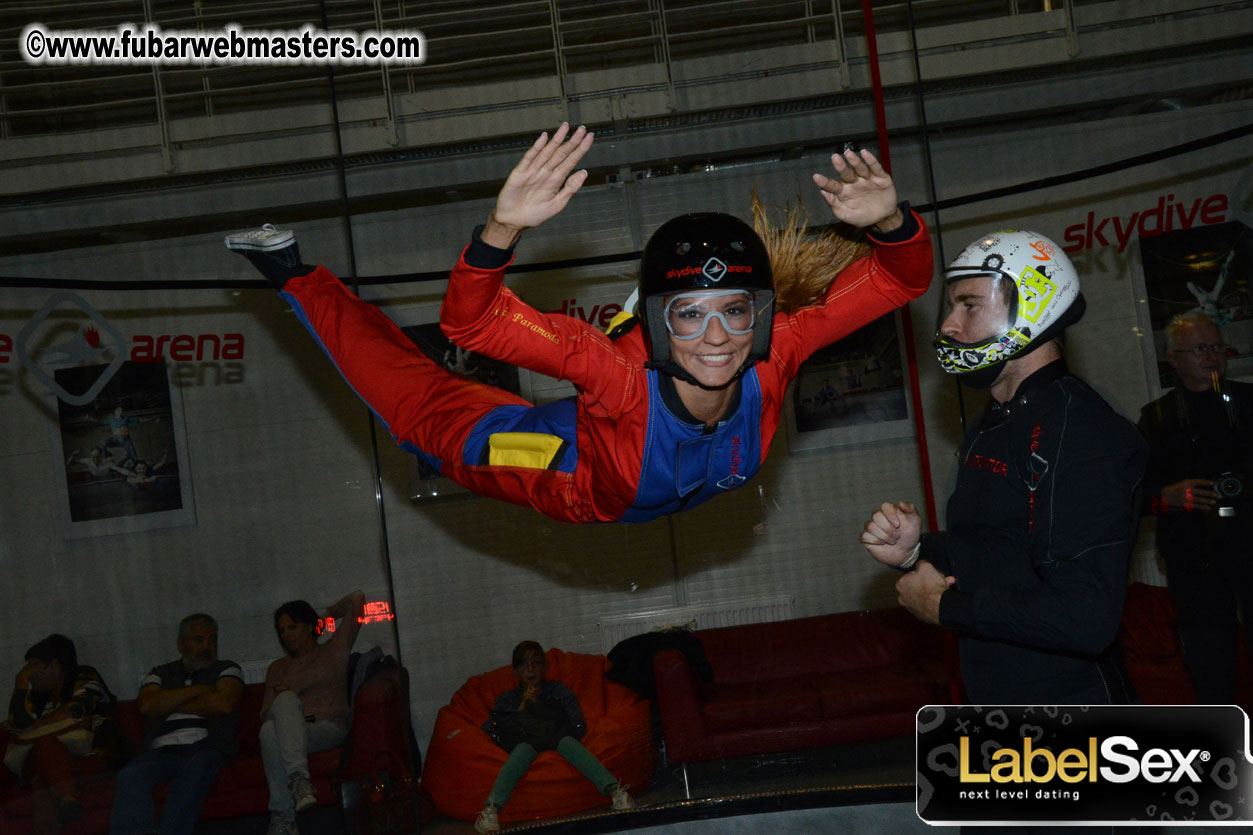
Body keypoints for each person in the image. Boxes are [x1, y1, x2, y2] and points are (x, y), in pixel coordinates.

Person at [226, 122, 932, 523]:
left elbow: (901, 279)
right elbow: (469, 326)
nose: (716, 337)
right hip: (569, 463)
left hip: (620, 432)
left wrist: (892, 222)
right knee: (426, 420)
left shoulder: (778, 348)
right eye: (688, 316)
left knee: (581, 409)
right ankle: (292, 274)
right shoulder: (616, 371)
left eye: (733, 312)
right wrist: (500, 229)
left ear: (761, 317)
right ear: (656, 325)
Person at [860, 229, 1147, 705]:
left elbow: (1086, 616)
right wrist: (918, 551)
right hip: (999, 703)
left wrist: (947, 607)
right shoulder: (995, 420)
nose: (950, 325)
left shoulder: (1085, 433)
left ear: (1034, 306)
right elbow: (1002, 553)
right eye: (951, 307)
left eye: (969, 305)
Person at [1137, 310, 1253, 704]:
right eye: (1200, 349)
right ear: (1174, 359)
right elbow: (1134, 496)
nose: (1212, 357)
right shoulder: (1155, 418)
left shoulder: (1249, 401)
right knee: (1210, 661)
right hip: (1194, 555)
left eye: (1218, 347)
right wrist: (1167, 496)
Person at [474, 641, 632, 834]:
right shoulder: (507, 699)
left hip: (558, 739)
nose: (530, 669)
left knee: (568, 743)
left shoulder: (557, 690)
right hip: (524, 744)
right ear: (515, 671)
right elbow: (497, 730)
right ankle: (490, 811)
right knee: (523, 749)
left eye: (536, 663)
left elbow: (578, 723)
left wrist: (549, 720)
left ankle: (617, 792)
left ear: (544, 667)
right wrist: (524, 705)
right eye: (524, 664)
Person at [109, 613, 244, 835]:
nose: (207, 647)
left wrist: (168, 701)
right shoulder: (159, 673)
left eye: (212, 640)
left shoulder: (227, 669)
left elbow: (223, 703)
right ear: (181, 645)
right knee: (130, 775)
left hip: (206, 746)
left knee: (198, 766)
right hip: (162, 751)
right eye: (199, 640)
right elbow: (147, 706)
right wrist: (200, 690)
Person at [259, 591, 365, 835]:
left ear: (309, 626)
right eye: (282, 630)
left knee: (279, 713)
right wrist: (284, 704)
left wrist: (325, 616)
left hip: (327, 727)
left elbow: (357, 601)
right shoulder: (278, 668)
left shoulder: (334, 651)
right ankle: (296, 795)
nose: (287, 635)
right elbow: (265, 714)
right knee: (271, 725)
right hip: (292, 729)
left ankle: (284, 814)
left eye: (293, 627)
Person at [5, 634, 115, 827]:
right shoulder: (36, 697)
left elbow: (81, 706)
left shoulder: (84, 675)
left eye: (34, 668)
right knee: (45, 747)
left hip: (87, 754)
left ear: (55, 666)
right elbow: (18, 725)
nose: (30, 676)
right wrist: (20, 683)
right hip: (40, 758)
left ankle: (65, 799)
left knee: (42, 782)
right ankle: (67, 799)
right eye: (26, 672)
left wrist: (40, 725)